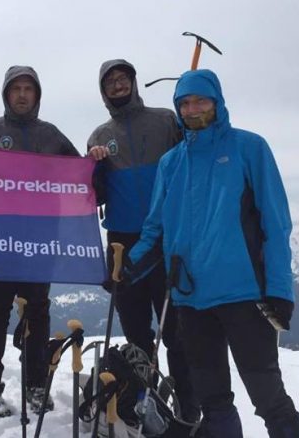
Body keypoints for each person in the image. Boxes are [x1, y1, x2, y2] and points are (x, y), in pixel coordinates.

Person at [127, 69, 299, 438]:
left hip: (244, 296)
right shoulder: (171, 163)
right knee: (213, 400)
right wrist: (125, 267)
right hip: (190, 300)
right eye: (185, 103)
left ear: (217, 102)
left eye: (201, 101)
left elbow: (277, 224)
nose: (193, 109)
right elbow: (155, 227)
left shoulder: (249, 148)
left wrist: (279, 289)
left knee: (267, 396)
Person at [0, 65, 80, 417]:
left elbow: (81, 178)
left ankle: (36, 386)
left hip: (39, 243)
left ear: (37, 95)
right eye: (17, 89)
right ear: (6, 94)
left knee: (37, 315)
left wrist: (99, 160)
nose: (23, 94)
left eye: (29, 89)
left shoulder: (52, 136)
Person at [86, 59, 199, 423]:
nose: (118, 86)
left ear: (134, 84)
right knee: (136, 334)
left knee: (177, 333)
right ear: (103, 91)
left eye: (123, 79)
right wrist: (97, 167)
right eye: (111, 82)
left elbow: (191, 159)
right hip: (122, 245)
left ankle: (188, 405)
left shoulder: (166, 120)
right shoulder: (99, 136)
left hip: (167, 238)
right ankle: (143, 401)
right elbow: (95, 196)